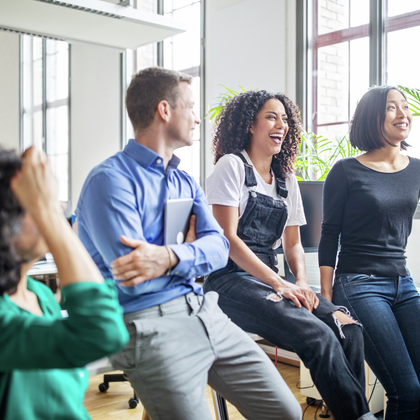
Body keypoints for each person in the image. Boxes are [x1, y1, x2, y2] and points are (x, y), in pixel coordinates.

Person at [75, 67, 302, 420]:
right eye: (191, 108)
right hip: (149, 323)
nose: (197, 119)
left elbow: (219, 249)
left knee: (286, 411)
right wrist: (192, 254)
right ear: (165, 110)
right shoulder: (110, 181)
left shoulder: (184, 181)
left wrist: (167, 256)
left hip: (203, 309)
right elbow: (136, 277)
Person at [204, 89, 376, 420]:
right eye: (271, 116)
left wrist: (300, 282)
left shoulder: (285, 178)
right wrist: (279, 284)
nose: (280, 124)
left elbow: (292, 243)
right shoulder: (232, 166)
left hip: (271, 279)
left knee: (348, 327)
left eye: (284, 119)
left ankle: (349, 413)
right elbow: (227, 238)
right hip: (229, 280)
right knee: (318, 336)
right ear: (249, 125)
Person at [0, 146, 128, 420]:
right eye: (34, 204)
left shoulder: (40, 294)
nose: (54, 208)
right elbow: (103, 330)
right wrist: (50, 216)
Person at [319, 85, 420, 419]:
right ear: (371, 117)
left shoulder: (417, 169)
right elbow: (329, 235)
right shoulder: (346, 171)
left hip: (403, 284)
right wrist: (327, 302)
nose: (403, 114)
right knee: (407, 390)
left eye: (405, 107)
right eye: (392, 107)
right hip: (359, 284)